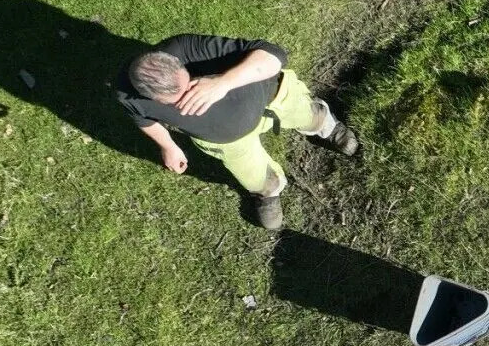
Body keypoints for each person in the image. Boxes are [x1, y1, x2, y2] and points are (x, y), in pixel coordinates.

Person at [117, 34, 358, 229]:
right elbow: (142, 119)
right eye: (176, 101)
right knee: (254, 175)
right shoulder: (128, 96)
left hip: (270, 98)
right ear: (150, 97)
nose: (190, 98)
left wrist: (222, 82)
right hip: (229, 141)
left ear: (176, 63)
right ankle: (269, 190)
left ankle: (327, 126)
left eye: (188, 84)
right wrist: (169, 147)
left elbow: (274, 55)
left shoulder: (186, 47)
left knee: (308, 115)